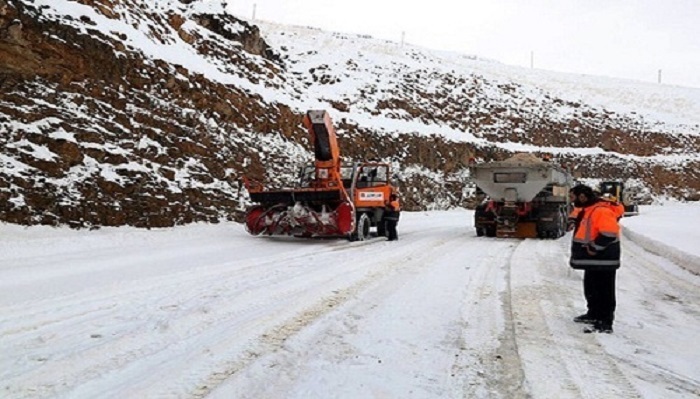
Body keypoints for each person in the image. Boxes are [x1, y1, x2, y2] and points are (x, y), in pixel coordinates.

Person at [569, 184, 621, 334]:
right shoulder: (589, 209)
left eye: (573, 197)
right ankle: (593, 314)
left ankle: (605, 322)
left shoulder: (601, 211)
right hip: (593, 260)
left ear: (582, 197)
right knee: (591, 287)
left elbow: (609, 234)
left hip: (604, 259)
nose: (572, 201)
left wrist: (594, 248)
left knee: (605, 290)